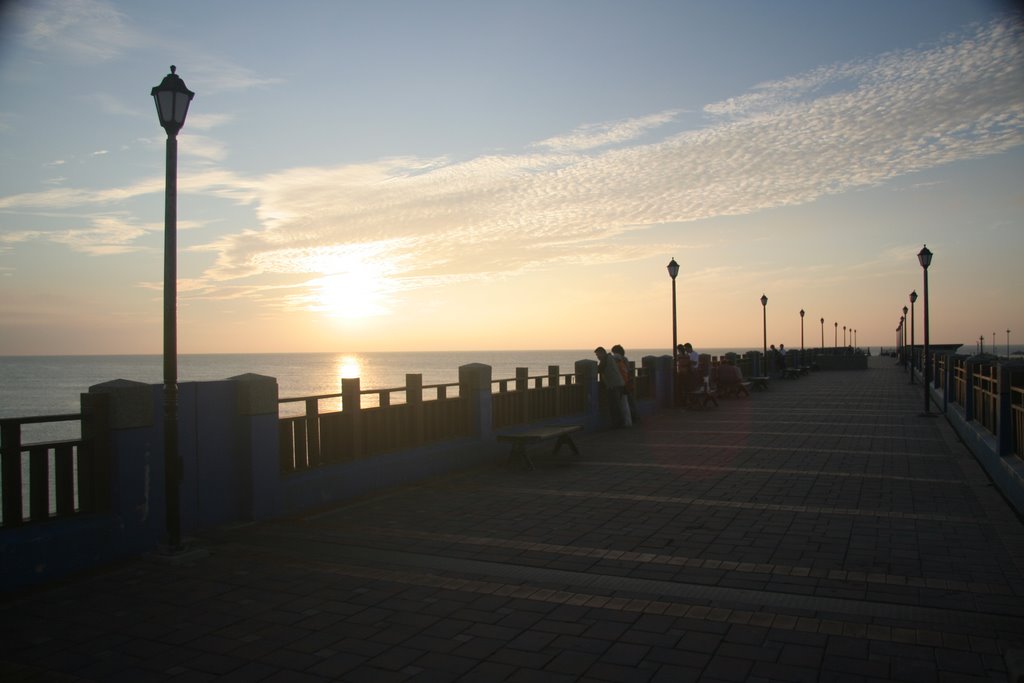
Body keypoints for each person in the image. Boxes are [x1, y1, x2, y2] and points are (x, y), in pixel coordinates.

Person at [595, 346, 630, 427]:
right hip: (619, 384)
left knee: (615, 405)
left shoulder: (605, 359)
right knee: (617, 404)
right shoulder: (609, 358)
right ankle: (620, 423)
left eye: (598, 354)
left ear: (603, 353)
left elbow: (599, 369)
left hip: (614, 385)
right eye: (596, 355)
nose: (598, 357)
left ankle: (618, 424)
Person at [612, 344, 640, 424]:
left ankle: (627, 421)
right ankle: (634, 417)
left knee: (624, 403)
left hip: (622, 383)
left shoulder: (617, 360)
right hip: (627, 382)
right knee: (630, 402)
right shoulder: (625, 360)